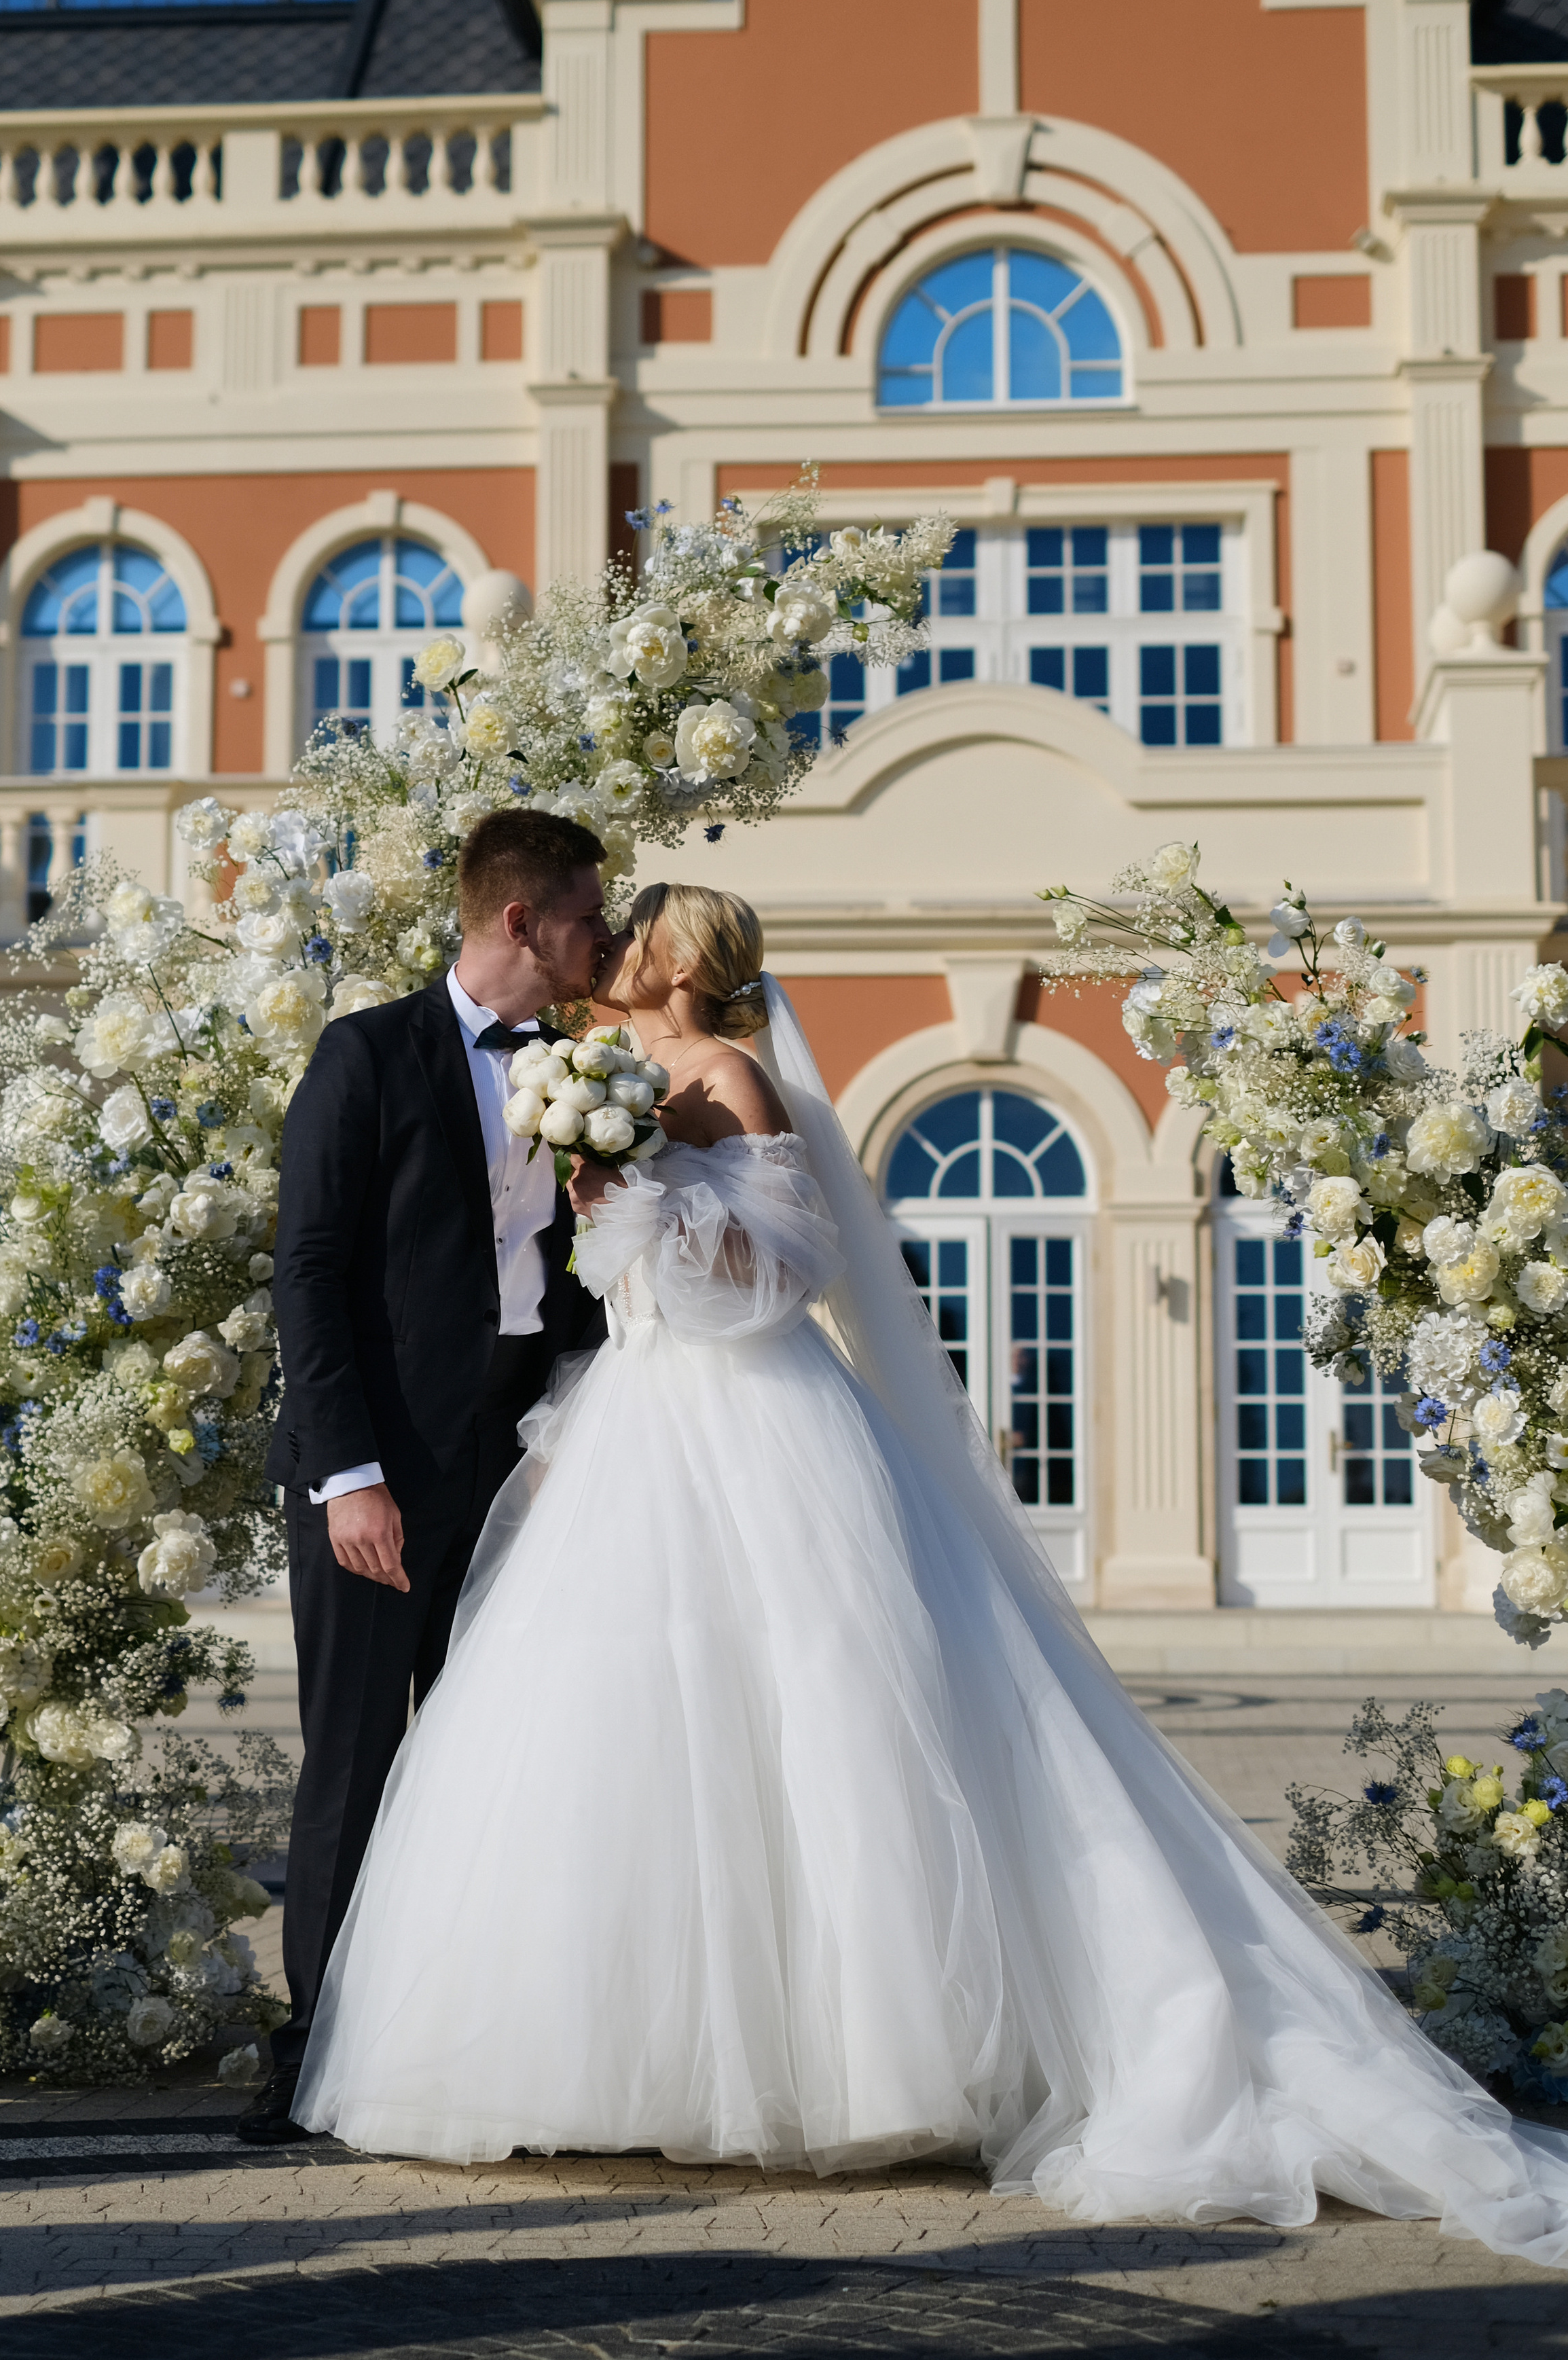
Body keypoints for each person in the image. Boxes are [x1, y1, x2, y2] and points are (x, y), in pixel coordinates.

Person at [293, 880, 1568, 2268]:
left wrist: (638, 1201)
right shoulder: (586, 1072)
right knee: (620, 1725)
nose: (606, 948)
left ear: (672, 961)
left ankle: (845, 2059)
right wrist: (603, 1196)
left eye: (629, 932)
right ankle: (604, 2056)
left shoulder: (725, 1075)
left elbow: (786, 1273)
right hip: (632, 1422)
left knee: (814, 1713)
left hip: (750, 1412)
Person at [236, 810, 612, 2145]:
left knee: (488, 1762)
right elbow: (313, 1276)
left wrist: (573, 1433)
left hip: (511, 1468)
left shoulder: (587, 1067)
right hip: (375, 1474)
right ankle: (307, 2057)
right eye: (587, 914)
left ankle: (466, 2050)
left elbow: (576, 1286)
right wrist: (348, 1476)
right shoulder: (367, 1054)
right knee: (354, 1759)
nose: (604, 939)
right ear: (519, 921)